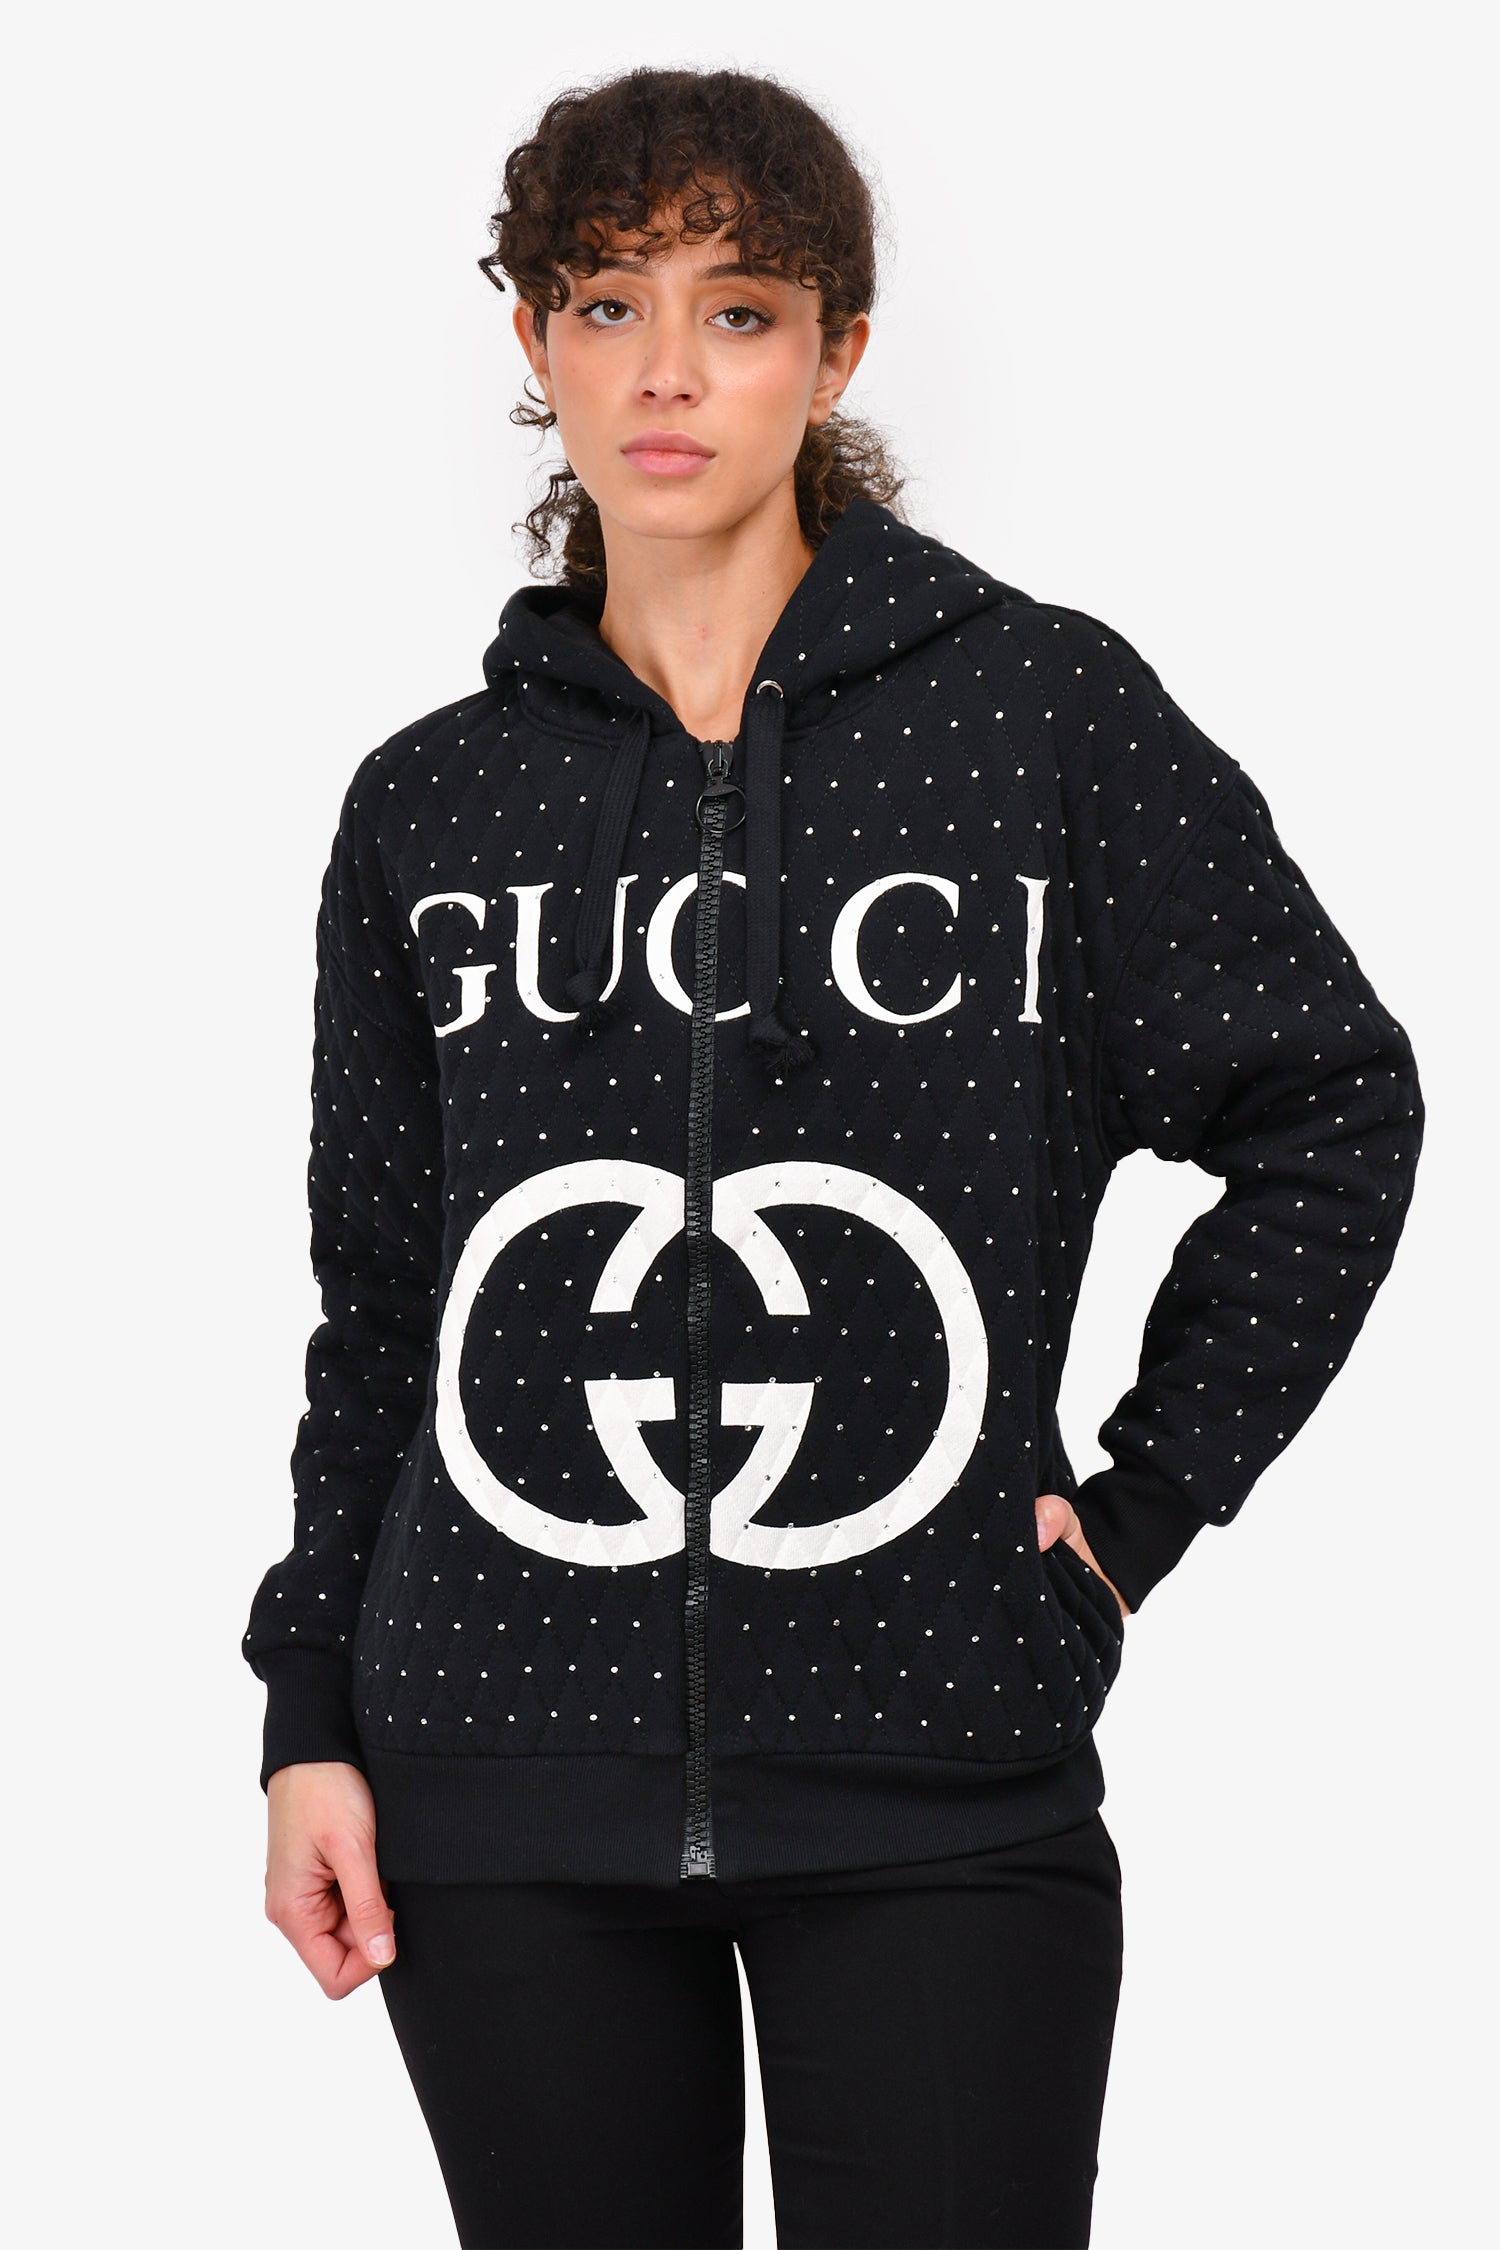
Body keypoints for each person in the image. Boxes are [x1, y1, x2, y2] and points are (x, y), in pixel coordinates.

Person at [243, 65, 1423, 2250]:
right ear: (533, 338)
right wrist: (309, 1709)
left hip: (939, 1772)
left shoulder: (1043, 720)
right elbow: (383, 1298)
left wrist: (1139, 1509)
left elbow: (1331, 1107)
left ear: (838, 349)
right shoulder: (433, 803)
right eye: (607, 304)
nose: (666, 371)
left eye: (740, 311)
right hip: (497, 1781)